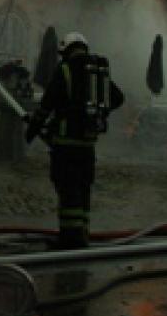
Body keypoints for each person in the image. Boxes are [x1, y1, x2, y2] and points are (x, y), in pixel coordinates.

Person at [25, 31, 124, 249]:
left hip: (65, 143)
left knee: (68, 189)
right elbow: (118, 98)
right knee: (83, 188)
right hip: (88, 144)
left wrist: (31, 131)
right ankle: (83, 233)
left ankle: (69, 239)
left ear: (66, 50)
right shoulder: (97, 72)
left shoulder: (64, 70)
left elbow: (46, 106)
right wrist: (100, 112)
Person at [0, 58, 33, 161]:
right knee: (6, 126)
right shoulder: (8, 73)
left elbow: (24, 87)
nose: (13, 79)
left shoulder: (20, 74)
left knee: (15, 128)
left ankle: (15, 153)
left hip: (15, 98)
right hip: (8, 99)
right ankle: (6, 153)